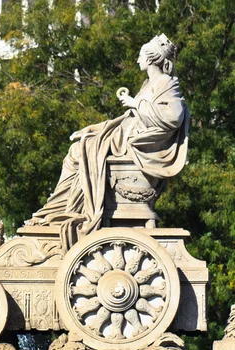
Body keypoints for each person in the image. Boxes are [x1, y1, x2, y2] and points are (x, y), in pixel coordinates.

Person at [25, 34, 189, 250]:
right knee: (79, 148)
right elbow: (124, 119)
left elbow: (174, 116)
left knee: (80, 151)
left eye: (140, 55)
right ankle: (56, 207)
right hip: (125, 134)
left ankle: (59, 209)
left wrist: (135, 103)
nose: (137, 60)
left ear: (150, 58)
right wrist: (92, 129)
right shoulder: (149, 83)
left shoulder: (165, 82)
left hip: (136, 143)